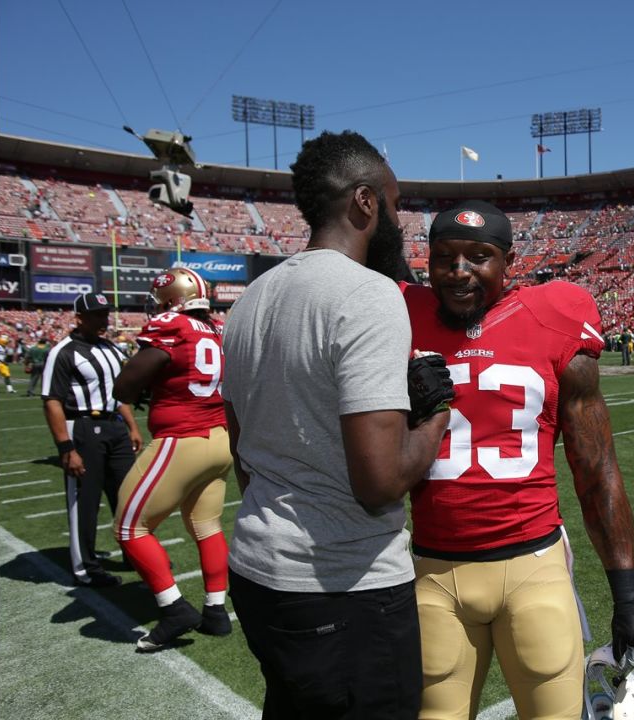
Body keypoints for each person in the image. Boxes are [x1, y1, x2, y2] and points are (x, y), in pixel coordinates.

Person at [221, 130, 453, 718]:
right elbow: (378, 482)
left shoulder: (252, 297)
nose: (399, 222)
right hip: (344, 585)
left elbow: (242, 447)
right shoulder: (368, 294)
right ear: (365, 202)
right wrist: (436, 418)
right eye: (395, 205)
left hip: (258, 571)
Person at [403, 200, 634, 720]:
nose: (459, 272)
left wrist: (627, 592)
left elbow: (596, 469)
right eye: (445, 257)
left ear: (509, 261)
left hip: (532, 568)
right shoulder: (397, 315)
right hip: (434, 571)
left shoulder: (553, 317)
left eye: (478, 256)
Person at [110, 267, 235, 652]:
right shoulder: (215, 329)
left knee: (130, 527)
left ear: (171, 299)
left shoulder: (171, 324)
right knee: (206, 523)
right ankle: (216, 611)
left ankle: (173, 607)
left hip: (184, 437)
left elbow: (125, 386)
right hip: (221, 439)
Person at [41, 292, 143, 587]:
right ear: (79, 318)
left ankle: (133, 553)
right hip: (83, 427)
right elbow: (52, 401)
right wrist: (66, 447)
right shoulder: (64, 351)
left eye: (105, 313)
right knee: (85, 500)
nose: (103, 319)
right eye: (96, 314)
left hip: (114, 426)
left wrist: (132, 427)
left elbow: (118, 393)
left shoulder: (110, 348)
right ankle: (86, 566)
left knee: (127, 495)